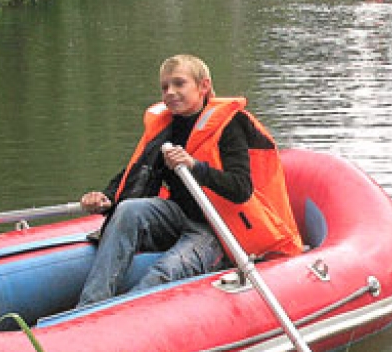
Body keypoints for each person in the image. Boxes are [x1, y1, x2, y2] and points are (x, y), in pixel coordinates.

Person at [76, 54, 303, 307]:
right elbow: (136, 172)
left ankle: (121, 316)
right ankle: (90, 306)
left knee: (166, 270)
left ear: (203, 86)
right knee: (128, 209)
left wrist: (195, 167)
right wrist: (107, 197)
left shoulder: (230, 125)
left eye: (179, 83)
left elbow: (241, 188)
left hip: (216, 227)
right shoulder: (166, 126)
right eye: (165, 87)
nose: (170, 93)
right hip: (177, 215)